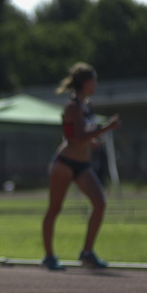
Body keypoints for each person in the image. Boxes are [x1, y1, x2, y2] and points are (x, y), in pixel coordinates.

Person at [42, 62, 122, 270]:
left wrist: (92, 142)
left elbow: (81, 137)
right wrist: (107, 128)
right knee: (54, 208)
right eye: (94, 81)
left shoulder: (87, 105)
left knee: (100, 203)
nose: (96, 84)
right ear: (87, 83)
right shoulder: (73, 107)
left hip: (82, 164)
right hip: (65, 164)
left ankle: (87, 253)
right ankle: (49, 257)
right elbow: (76, 138)